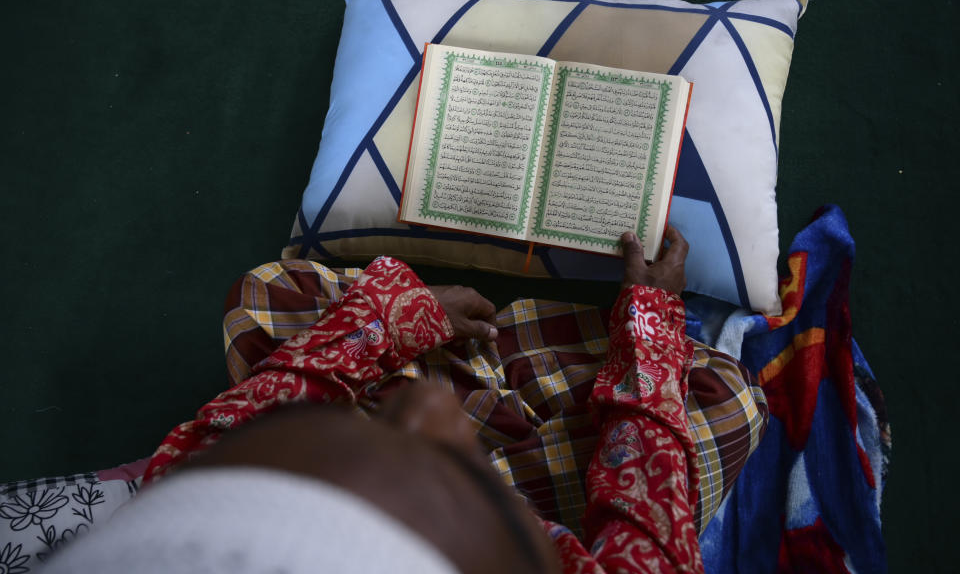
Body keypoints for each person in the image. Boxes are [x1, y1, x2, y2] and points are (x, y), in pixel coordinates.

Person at [45, 227, 763, 573]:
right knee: (731, 399)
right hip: (556, 518)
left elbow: (249, 415)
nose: (427, 412)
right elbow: (650, 536)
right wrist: (645, 319)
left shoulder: (191, 495)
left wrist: (400, 319)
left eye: (324, 456)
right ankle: (519, 413)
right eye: (444, 480)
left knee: (265, 299)